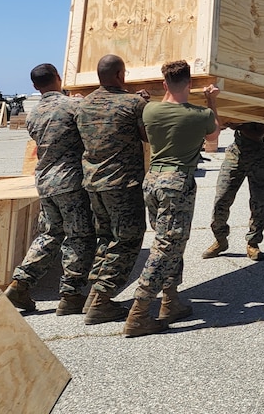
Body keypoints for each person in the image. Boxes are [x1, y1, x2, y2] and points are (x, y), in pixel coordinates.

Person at [126, 60, 220, 338]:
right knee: (168, 246)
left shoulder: (150, 110)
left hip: (152, 180)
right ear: (190, 84)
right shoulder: (199, 114)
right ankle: (140, 312)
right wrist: (212, 101)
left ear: (164, 84)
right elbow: (214, 136)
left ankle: (171, 301)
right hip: (177, 183)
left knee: (168, 240)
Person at [4, 64, 94, 315]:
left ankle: (21, 283)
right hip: (70, 181)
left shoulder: (33, 114)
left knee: (50, 234)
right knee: (79, 237)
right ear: (58, 78)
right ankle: (71, 294)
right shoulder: (73, 105)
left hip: (45, 181)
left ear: (35, 86)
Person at [75, 54, 150, 325]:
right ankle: (103, 301)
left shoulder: (83, 105)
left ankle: (93, 294)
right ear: (121, 75)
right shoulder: (133, 103)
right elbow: (146, 136)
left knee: (105, 238)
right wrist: (142, 103)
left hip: (93, 183)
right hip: (122, 184)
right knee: (128, 240)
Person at [203, 121, 264, 261]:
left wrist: (237, 125)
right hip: (235, 154)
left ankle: (253, 243)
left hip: (259, 156)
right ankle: (220, 240)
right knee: (222, 199)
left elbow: (258, 134)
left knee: (259, 202)